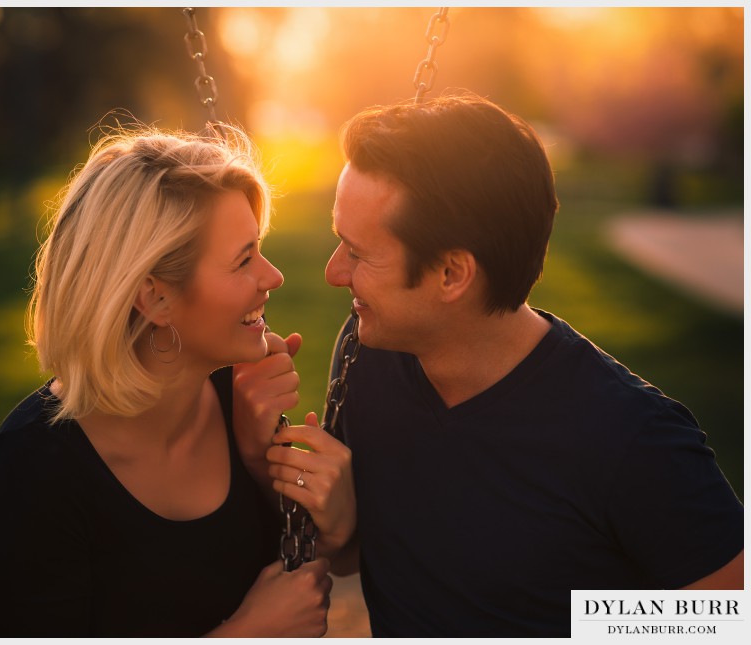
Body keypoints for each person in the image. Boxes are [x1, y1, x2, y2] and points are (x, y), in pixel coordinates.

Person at [236, 91, 744, 637]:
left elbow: (726, 621)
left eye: (359, 252)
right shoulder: (368, 356)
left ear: (453, 274)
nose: (335, 272)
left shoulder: (632, 439)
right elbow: (366, 557)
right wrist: (338, 522)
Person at [0, 125, 333, 637]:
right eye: (243, 260)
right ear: (155, 298)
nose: (272, 276)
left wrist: (261, 461)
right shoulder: (33, 470)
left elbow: (305, 564)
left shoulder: (239, 399)